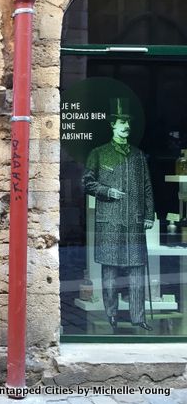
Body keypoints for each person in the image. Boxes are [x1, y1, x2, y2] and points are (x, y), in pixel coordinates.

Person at [82, 98, 154, 332]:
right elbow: (87, 183)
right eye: (122, 123)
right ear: (112, 126)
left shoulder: (138, 155)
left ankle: (138, 317)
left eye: (128, 124)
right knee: (110, 272)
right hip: (109, 222)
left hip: (134, 223)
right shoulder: (99, 153)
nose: (126, 127)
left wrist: (149, 215)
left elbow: (146, 187)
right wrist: (107, 191)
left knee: (136, 272)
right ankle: (111, 315)